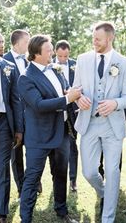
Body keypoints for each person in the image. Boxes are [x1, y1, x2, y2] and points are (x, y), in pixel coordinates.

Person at [73, 21, 126, 223]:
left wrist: (115, 103)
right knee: (89, 172)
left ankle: (108, 218)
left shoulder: (125, 63)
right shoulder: (82, 60)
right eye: (93, 37)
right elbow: (76, 90)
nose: (94, 41)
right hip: (88, 124)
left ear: (109, 38)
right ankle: (106, 192)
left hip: (112, 126)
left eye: (97, 39)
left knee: (112, 170)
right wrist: (79, 99)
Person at [18, 34, 81, 223]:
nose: (52, 52)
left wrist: (68, 93)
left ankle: (62, 212)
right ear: (36, 53)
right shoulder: (26, 78)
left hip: (61, 132)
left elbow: (61, 91)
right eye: (49, 50)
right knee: (32, 178)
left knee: (61, 173)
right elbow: (38, 104)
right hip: (39, 137)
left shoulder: (55, 70)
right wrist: (66, 99)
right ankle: (25, 219)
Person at [0, 31, 23, 223]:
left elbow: (16, 100)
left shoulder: (9, 67)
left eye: (2, 41)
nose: (1, 45)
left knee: (2, 167)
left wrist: (19, 129)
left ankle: (3, 212)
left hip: (4, 122)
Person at [3, 29, 31, 197]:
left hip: (31, 113)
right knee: (17, 153)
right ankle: (21, 188)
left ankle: (32, 181)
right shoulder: (3, 61)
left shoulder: (30, 60)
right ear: (16, 43)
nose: (29, 45)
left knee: (33, 150)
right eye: (26, 42)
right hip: (13, 115)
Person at [53, 40, 78, 192]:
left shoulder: (76, 65)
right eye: (60, 56)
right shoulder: (49, 67)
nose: (63, 59)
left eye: (66, 56)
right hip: (56, 110)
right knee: (56, 147)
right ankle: (56, 178)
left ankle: (73, 180)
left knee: (73, 146)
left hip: (73, 111)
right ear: (55, 52)